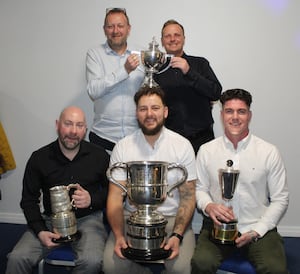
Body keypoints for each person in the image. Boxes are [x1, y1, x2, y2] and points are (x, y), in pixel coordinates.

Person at [191, 89, 289, 274]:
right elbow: (199, 189)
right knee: (201, 264)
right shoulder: (206, 150)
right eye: (229, 111)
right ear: (221, 115)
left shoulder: (269, 152)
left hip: (257, 225)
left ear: (249, 115)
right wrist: (209, 205)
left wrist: (258, 230)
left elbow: (280, 198)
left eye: (241, 111)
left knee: (275, 269)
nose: (235, 117)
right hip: (216, 226)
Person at [103, 86, 196, 274]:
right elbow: (114, 198)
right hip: (131, 218)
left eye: (155, 108)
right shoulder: (123, 147)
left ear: (165, 111)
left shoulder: (182, 146)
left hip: (171, 219)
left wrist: (177, 235)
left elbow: (188, 197)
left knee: (181, 269)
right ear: (137, 113)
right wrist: (119, 235)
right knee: (112, 267)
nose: (149, 114)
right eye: (143, 108)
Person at [5, 106, 110, 274]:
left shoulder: (100, 156)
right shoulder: (39, 158)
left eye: (79, 125)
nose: (73, 131)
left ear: (85, 129)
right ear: (57, 125)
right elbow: (28, 200)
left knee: (92, 261)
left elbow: (113, 192)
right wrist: (40, 231)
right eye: (68, 124)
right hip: (49, 221)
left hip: (88, 219)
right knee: (17, 258)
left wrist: (92, 199)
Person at [154, 19, 222, 154]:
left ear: (184, 39)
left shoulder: (200, 64)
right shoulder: (156, 70)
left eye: (177, 35)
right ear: (162, 41)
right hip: (170, 143)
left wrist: (189, 72)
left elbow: (216, 93)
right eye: (168, 36)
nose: (172, 39)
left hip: (202, 140)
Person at [86, 7, 144, 153]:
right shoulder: (95, 54)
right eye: (110, 26)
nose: (115, 30)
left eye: (120, 26)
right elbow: (93, 91)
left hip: (136, 138)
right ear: (104, 29)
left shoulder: (143, 55)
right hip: (102, 138)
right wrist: (124, 71)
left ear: (128, 29)